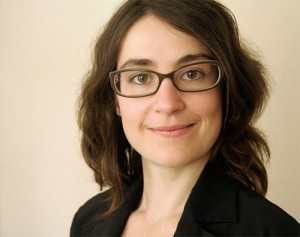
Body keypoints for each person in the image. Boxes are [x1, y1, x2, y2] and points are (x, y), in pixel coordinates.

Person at [71, 0, 299, 236]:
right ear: (114, 100)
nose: (168, 104)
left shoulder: (273, 231)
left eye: (192, 74)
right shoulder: (87, 222)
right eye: (140, 77)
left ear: (227, 92)